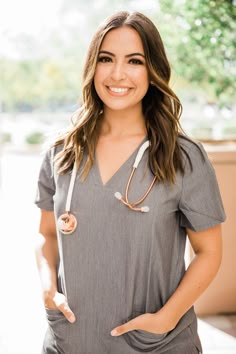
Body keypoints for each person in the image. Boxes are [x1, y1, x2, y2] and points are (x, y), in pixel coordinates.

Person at [34, 11, 226, 354]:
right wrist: (48, 287)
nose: (118, 74)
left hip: (157, 345)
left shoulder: (183, 157)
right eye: (106, 59)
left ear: (153, 71)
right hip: (71, 342)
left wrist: (167, 318)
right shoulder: (62, 152)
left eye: (134, 61)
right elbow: (46, 234)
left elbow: (209, 252)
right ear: (92, 65)